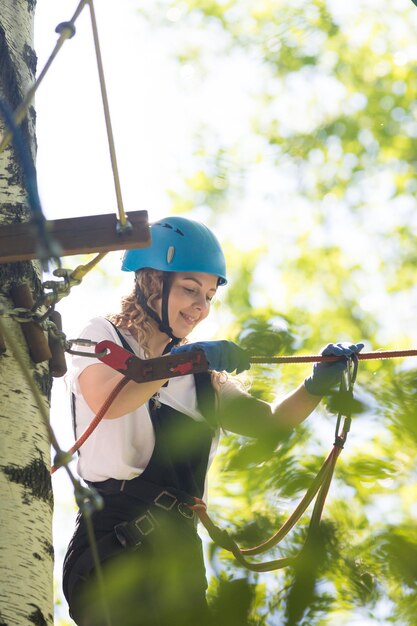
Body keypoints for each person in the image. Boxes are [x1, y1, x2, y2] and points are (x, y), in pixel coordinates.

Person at [62, 216, 363, 626]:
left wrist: (316, 384)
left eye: (208, 295)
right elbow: (107, 400)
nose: (200, 307)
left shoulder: (203, 380)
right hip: (114, 546)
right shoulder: (106, 338)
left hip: (180, 560)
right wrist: (185, 361)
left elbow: (269, 423)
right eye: (189, 289)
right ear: (152, 282)